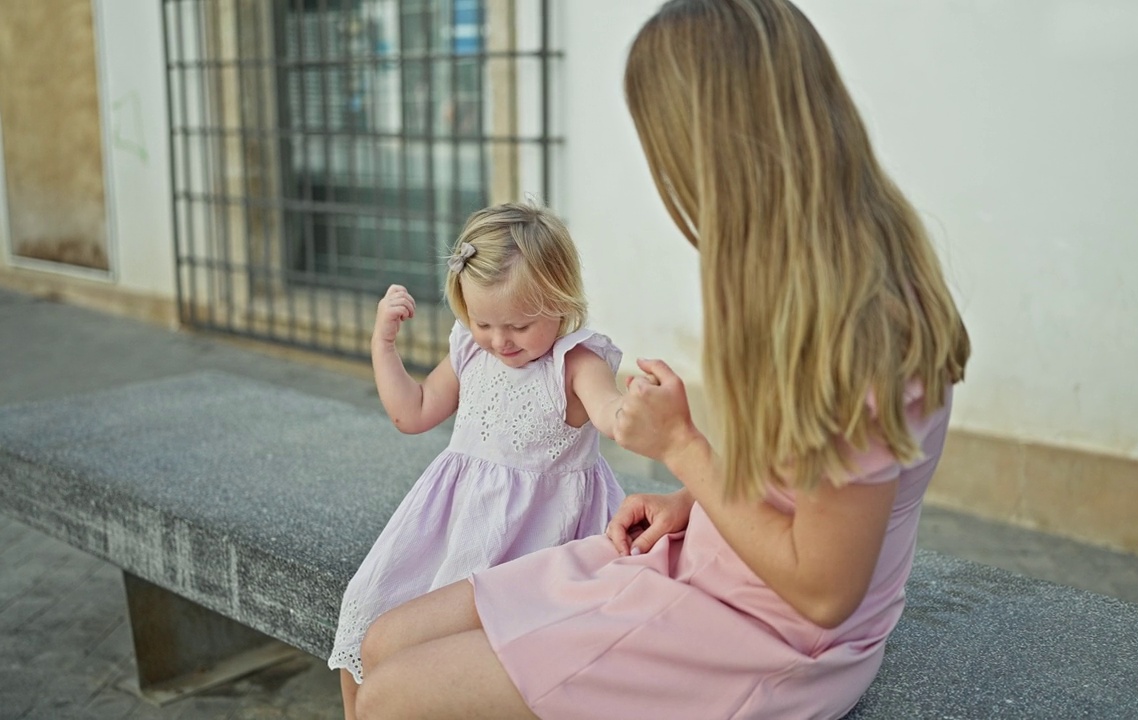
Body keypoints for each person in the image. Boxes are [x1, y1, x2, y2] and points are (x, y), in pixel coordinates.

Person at [353, 0, 971, 717]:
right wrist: (692, 503)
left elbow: (826, 592)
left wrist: (681, 446)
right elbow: (796, 489)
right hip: (706, 562)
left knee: (393, 696)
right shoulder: (797, 283)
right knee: (383, 642)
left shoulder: (861, 329)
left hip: (765, 633)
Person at [329, 201, 628, 717]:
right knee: (365, 603)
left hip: (537, 540)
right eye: (483, 321)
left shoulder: (576, 362)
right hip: (452, 525)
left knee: (451, 657)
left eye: (518, 325)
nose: (499, 340)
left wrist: (637, 410)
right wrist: (384, 344)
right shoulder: (471, 349)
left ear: (561, 298)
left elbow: (613, 413)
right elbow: (414, 411)